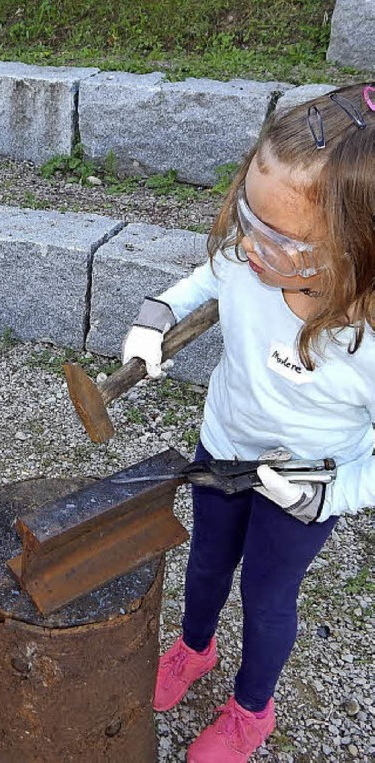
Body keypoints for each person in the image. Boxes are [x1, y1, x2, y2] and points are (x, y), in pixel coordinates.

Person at [122, 83, 374, 761]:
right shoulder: (249, 258)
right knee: (205, 561)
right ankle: (194, 647)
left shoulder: (367, 337)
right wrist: (155, 318)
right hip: (226, 445)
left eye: (275, 233)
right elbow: (208, 277)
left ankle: (252, 709)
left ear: (358, 245)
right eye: (246, 215)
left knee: (267, 595)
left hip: (304, 484)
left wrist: (331, 494)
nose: (246, 242)